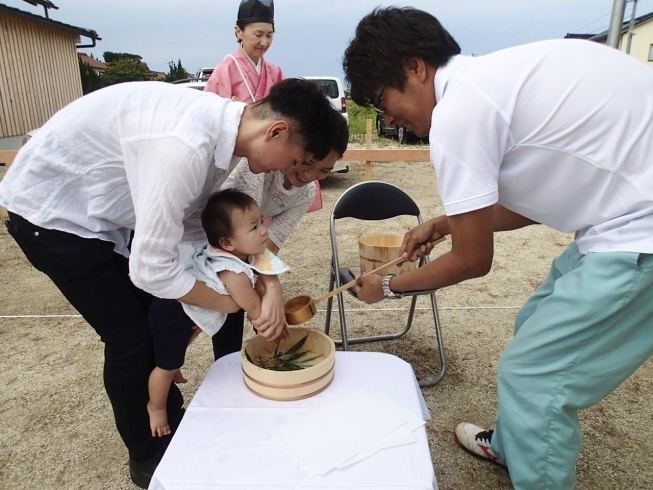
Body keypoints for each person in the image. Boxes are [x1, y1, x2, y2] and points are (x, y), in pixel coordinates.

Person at [344, 7, 653, 490]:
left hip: (638, 233)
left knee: (534, 374)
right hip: (622, 214)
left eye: (382, 100)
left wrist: (387, 284)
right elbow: (537, 202)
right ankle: (516, 446)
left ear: (414, 67)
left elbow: (474, 260)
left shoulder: (458, 112)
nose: (388, 118)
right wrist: (447, 222)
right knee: (532, 322)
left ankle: (540, 472)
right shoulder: (490, 81)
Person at [0, 77, 343, 488]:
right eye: (293, 160)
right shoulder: (187, 145)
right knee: (131, 339)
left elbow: (198, 235)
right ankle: (148, 456)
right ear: (277, 131)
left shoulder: (221, 140)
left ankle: (166, 418)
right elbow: (150, 268)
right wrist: (225, 304)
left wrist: (246, 288)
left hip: (100, 219)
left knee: (155, 324)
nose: (290, 172)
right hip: (51, 217)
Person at [148, 188, 287, 438]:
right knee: (166, 366)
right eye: (254, 227)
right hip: (172, 317)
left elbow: (264, 272)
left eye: (261, 221)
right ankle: (156, 407)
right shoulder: (232, 270)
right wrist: (273, 327)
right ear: (227, 242)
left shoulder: (237, 252)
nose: (264, 230)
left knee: (176, 352)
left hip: (182, 310)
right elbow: (254, 309)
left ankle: (174, 362)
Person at [211, 114, 349, 361]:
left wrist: (269, 292)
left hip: (248, 243)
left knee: (260, 295)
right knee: (234, 299)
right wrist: (272, 287)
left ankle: (268, 355)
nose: (311, 175)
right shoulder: (261, 165)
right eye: (309, 162)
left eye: (325, 170)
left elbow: (268, 243)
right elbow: (242, 229)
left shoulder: (305, 193)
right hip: (221, 240)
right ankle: (226, 364)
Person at [205, 0, 283, 103]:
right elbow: (210, 112)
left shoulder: (276, 73)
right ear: (239, 32)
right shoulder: (225, 71)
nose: (264, 42)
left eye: (269, 35)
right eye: (258, 34)